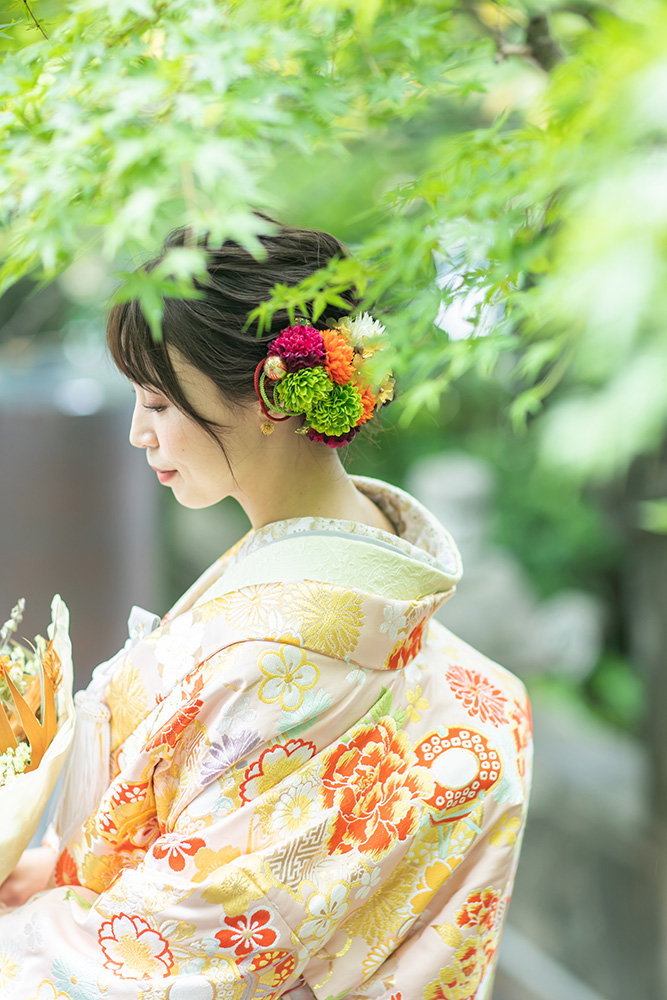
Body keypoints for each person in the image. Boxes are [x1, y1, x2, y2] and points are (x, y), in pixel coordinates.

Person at [0, 217, 532, 1000]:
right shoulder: (476, 692)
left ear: (274, 397)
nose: (138, 434)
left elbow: (163, 964)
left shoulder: (269, 662)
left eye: (157, 401)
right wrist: (64, 868)